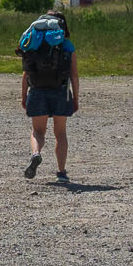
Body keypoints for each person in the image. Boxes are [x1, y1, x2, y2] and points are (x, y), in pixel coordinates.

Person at [19, 10, 79, 181]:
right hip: (61, 91)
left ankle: (36, 153)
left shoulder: (33, 43)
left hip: (37, 90)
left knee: (38, 131)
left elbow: (26, 74)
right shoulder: (67, 45)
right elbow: (73, 75)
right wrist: (75, 98)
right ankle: (61, 172)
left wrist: (24, 96)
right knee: (60, 133)